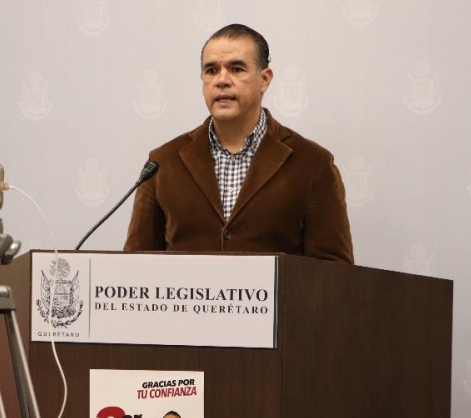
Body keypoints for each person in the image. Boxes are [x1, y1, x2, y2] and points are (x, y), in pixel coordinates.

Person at [124, 24, 354, 263]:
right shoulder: (162, 162)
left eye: (236, 69)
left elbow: (333, 273)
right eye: (211, 70)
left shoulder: (313, 163)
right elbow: (134, 265)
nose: (222, 80)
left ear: (264, 79)